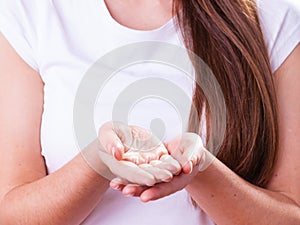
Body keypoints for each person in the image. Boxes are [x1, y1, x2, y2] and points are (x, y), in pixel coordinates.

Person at [0, 0, 299, 224]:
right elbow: (11, 214)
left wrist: (201, 171)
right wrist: (98, 162)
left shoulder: (271, 20)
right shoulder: (31, 14)